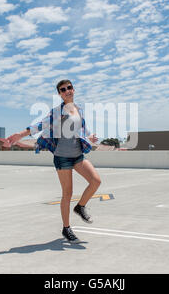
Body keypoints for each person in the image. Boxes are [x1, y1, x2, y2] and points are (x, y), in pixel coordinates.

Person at [7, 79, 101, 243]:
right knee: (67, 193)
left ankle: (80, 207)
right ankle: (66, 229)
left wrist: (91, 136)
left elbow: (83, 129)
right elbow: (40, 125)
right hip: (62, 155)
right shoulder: (57, 111)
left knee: (96, 181)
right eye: (63, 90)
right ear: (59, 94)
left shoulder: (79, 110)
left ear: (73, 89)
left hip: (77, 154)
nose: (67, 91)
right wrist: (21, 135)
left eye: (69, 88)